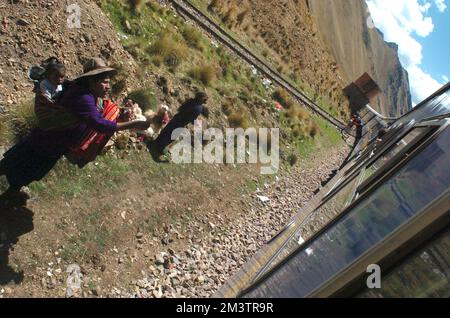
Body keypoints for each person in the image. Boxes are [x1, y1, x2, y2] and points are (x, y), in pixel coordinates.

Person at [0, 58, 149, 204]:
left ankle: (11, 194)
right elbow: (99, 124)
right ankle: (10, 194)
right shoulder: (83, 98)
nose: (108, 87)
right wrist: (132, 124)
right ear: (91, 81)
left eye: (109, 82)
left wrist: (120, 113)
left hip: (52, 144)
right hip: (46, 143)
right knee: (17, 164)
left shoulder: (86, 93)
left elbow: (97, 112)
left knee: (24, 167)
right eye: (104, 82)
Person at [148, 92, 209, 161]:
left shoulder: (192, 101)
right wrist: (197, 123)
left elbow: (182, 109)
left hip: (177, 117)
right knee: (171, 136)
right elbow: (191, 118)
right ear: (202, 99)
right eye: (206, 99)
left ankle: (156, 142)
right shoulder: (199, 108)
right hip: (181, 123)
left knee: (166, 130)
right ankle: (159, 147)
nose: (207, 100)